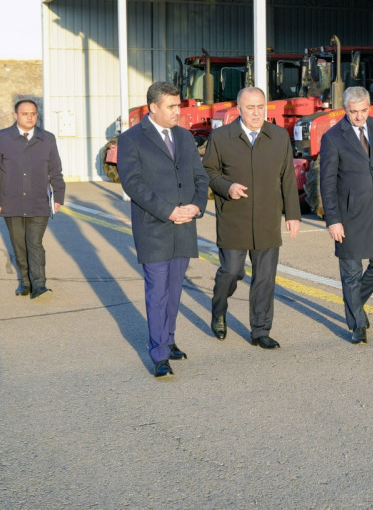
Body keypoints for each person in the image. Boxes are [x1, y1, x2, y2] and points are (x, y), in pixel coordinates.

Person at [117, 81, 208, 379]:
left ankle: (168, 341)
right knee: (157, 291)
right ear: (153, 107)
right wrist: (168, 211)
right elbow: (133, 184)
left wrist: (195, 206)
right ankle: (158, 354)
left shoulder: (184, 137)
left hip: (184, 226)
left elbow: (199, 176)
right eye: (171, 106)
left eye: (178, 105)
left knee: (174, 289)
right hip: (154, 227)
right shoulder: (131, 139)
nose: (177, 111)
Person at [203, 86, 301, 349]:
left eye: (260, 107)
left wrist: (292, 214)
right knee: (232, 271)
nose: (256, 113)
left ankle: (260, 330)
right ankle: (219, 310)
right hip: (234, 218)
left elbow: (288, 178)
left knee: (265, 278)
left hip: (268, 219)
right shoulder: (221, 138)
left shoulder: (279, 136)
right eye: (250, 108)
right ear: (239, 109)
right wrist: (227, 187)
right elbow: (208, 172)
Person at [319, 86, 373, 344]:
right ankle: (357, 324)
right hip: (349, 214)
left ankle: (354, 302)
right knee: (351, 272)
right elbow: (327, 182)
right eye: (353, 112)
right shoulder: (332, 137)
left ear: (370, 107)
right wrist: (333, 220)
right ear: (345, 110)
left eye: (363, 110)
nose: (359, 116)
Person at [0, 99, 65, 299]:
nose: (30, 117)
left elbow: (55, 170)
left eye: (33, 113)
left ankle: (39, 285)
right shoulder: (0, 138)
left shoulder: (47, 138)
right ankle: (25, 283)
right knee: (19, 244)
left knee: (34, 243)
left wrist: (58, 195)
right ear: (15, 115)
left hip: (38, 201)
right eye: (25, 113)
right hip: (11, 201)